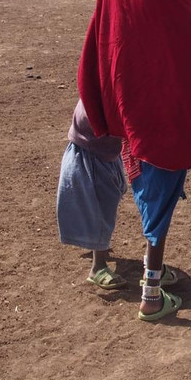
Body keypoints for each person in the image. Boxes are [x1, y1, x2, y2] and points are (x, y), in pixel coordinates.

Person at [78, 0, 191, 322]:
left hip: (131, 95)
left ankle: (145, 273)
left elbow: (107, 33)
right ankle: (151, 295)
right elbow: (185, 44)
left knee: (149, 181)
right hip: (162, 103)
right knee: (162, 184)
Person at [56, 99, 127, 289]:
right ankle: (98, 266)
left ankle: (96, 246)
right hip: (94, 152)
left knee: (109, 198)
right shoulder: (106, 82)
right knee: (101, 207)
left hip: (101, 150)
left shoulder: (101, 77)